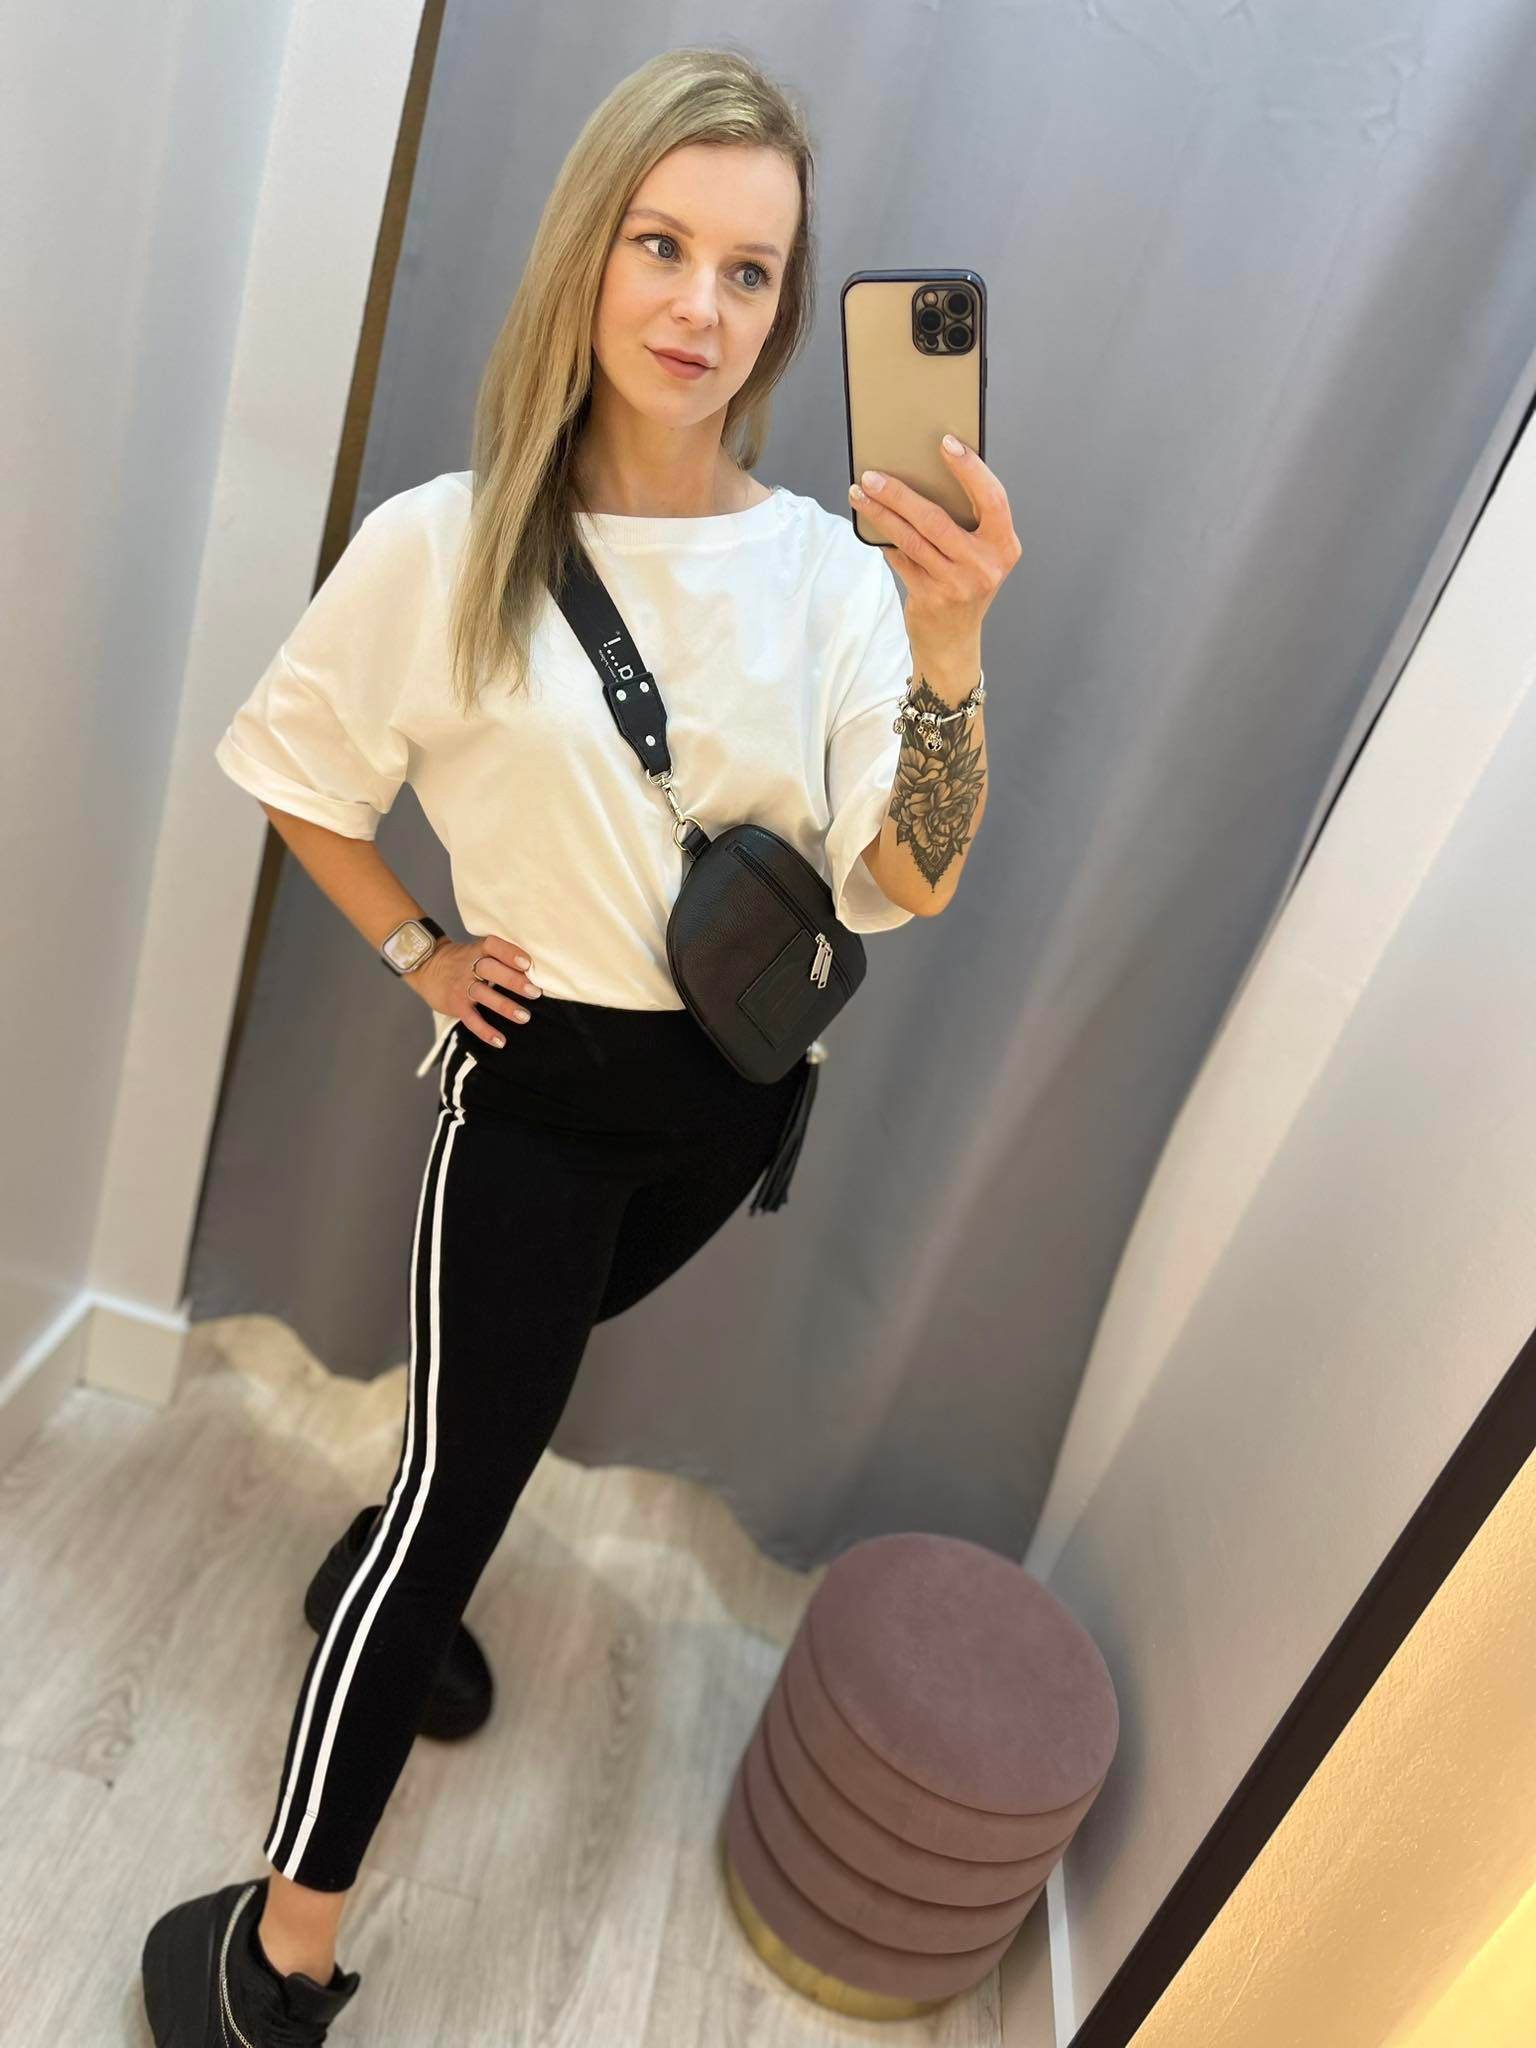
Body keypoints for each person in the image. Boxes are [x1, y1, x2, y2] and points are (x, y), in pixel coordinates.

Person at [140, 43, 936, 2048]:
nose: (699, 306)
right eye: (661, 245)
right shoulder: (447, 542)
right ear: (588, 248)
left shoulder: (831, 572)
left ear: (786, 308)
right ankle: (280, 1956)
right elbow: (298, 773)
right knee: (458, 1506)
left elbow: (908, 878)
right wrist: (419, 946)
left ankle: (387, 1540)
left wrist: (957, 647)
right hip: (544, 1109)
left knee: (482, 1431)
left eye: (750, 271)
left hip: (732, 1108)